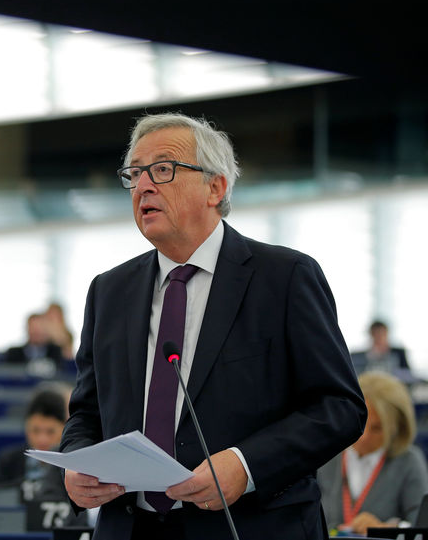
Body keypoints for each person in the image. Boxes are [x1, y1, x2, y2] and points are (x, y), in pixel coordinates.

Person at [60, 112, 367, 539]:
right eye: (134, 173)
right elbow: (87, 413)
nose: (143, 186)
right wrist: (78, 462)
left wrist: (246, 464)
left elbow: (339, 408)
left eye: (163, 169)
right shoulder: (109, 291)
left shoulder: (284, 277)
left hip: (251, 526)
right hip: (131, 528)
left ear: (215, 186)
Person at [318, 371, 428, 536]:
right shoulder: (326, 456)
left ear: (397, 428)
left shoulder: (409, 461)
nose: (364, 437)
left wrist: (386, 531)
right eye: (360, 423)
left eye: (377, 428)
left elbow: (420, 526)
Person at [0, 388, 69, 501]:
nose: (42, 439)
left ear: (64, 429)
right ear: (26, 428)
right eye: (35, 430)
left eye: (50, 431)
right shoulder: (8, 461)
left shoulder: (71, 466)